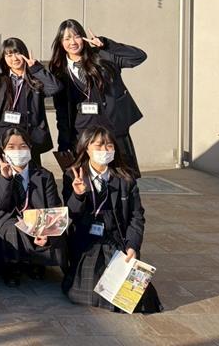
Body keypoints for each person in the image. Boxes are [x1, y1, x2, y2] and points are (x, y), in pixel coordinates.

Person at [61, 125, 162, 313]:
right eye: (98, 145)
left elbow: (136, 216)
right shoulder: (73, 175)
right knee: (85, 293)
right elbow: (69, 215)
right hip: (87, 240)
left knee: (139, 300)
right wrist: (78, 195)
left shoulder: (126, 178)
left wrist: (132, 246)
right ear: (86, 148)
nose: (104, 150)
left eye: (109, 145)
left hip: (116, 238)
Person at [49, 19, 146, 175]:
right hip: (81, 134)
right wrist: (64, 144)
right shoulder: (58, 69)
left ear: (83, 38)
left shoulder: (103, 56)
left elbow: (139, 57)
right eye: (67, 38)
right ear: (60, 42)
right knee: (86, 181)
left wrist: (107, 44)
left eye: (77, 36)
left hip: (113, 130)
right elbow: (62, 111)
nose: (73, 42)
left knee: (123, 179)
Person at [0, 127, 67, 287]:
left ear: (30, 148)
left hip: (37, 222)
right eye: (11, 147)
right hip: (9, 223)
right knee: (12, 228)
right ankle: (13, 266)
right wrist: (5, 178)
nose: (17, 151)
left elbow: (54, 208)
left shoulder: (44, 175)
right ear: (3, 150)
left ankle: (36, 262)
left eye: (22, 146)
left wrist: (47, 232)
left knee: (55, 234)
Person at [0, 37, 62, 166]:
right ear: (4, 58)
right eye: (9, 55)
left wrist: (36, 69)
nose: (14, 58)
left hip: (27, 137)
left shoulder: (34, 79)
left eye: (17, 53)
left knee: (27, 174)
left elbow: (55, 88)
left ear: (24, 54)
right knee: (0, 173)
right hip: (0, 138)